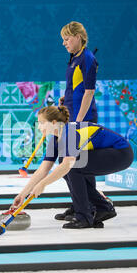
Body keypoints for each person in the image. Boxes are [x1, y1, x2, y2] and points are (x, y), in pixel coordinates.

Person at [11, 106, 134, 229]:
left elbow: (68, 165)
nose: (39, 127)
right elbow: (43, 169)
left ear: (54, 123)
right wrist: (23, 194)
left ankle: (84, 217)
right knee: (66, 163)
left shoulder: (69, 132)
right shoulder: (55, 139)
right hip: (109, 153)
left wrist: (43, 184)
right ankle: (102, 207)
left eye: (42, 123)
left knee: (72, 165)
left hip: (121, 154)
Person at [56, 21, 100, 221]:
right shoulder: (74, 58)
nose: (64, 43)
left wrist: (78, 121)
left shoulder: (87, 58)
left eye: (67, 39)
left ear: (79, 37)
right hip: (72, 115)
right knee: (67, 164)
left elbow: (89, 92)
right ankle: (80, 204)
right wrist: (67, 98)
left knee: (80, 166)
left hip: (82, 119)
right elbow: (78, 87)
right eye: (63, 39)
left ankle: (89, 207)